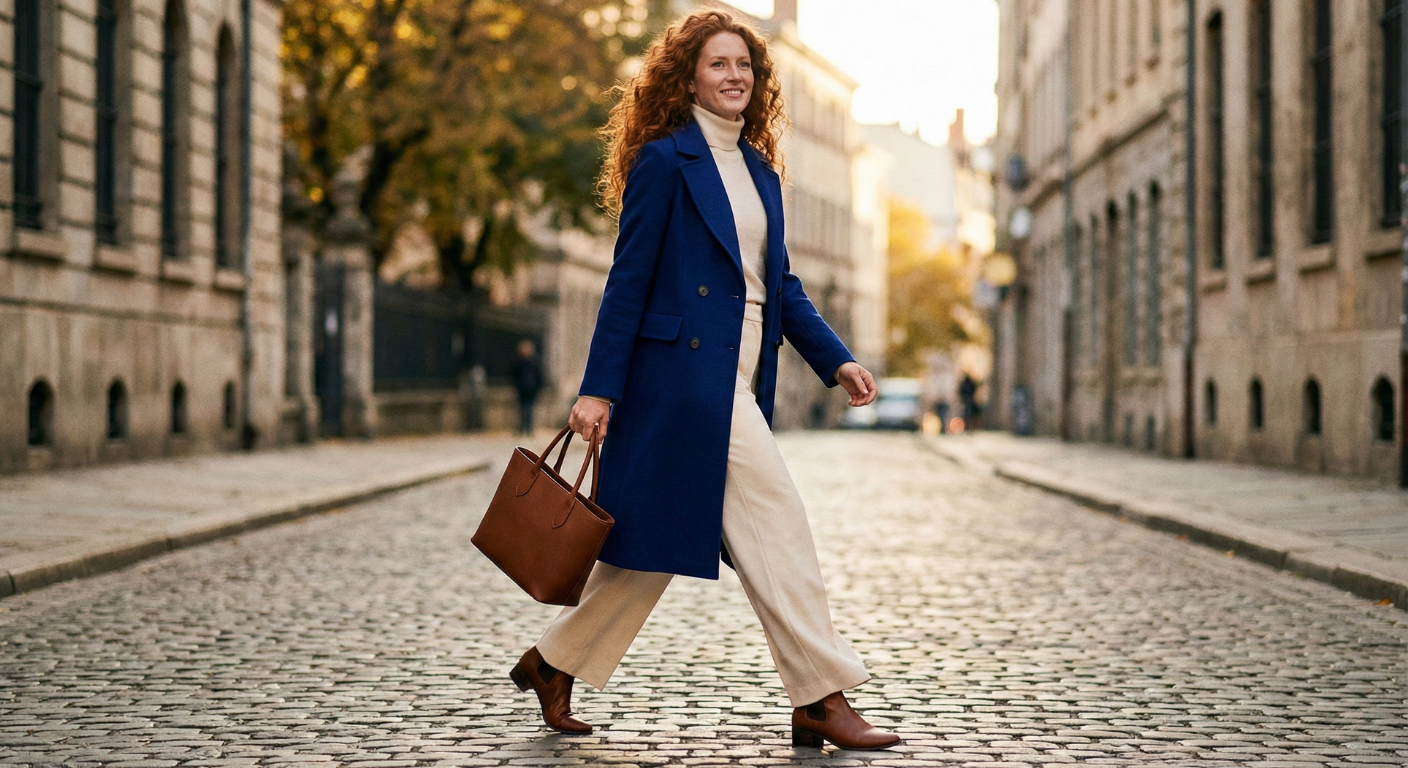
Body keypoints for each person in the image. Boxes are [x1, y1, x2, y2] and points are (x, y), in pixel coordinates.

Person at [508, 10, 900, 751]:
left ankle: (552, 663)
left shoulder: (760, 170)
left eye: (745, 66)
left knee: (650, 549)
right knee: (778, 524)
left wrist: (835, 358)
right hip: (683, 385)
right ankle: (819, 695)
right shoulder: (666, 161)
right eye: (719, 64)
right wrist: (599, 389)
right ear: (688, 76)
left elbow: (778, 284)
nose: (735, 76)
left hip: (738, 378)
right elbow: (628, 281)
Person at [511, 339, 545, 436]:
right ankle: (522, 428)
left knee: (530, 409)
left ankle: (529, 429)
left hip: (531, 389)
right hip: (522, 389)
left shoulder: (534, 362)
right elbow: (513, 374)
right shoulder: (518, 362)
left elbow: (539, 376)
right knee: (522, 409)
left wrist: (538, 387)